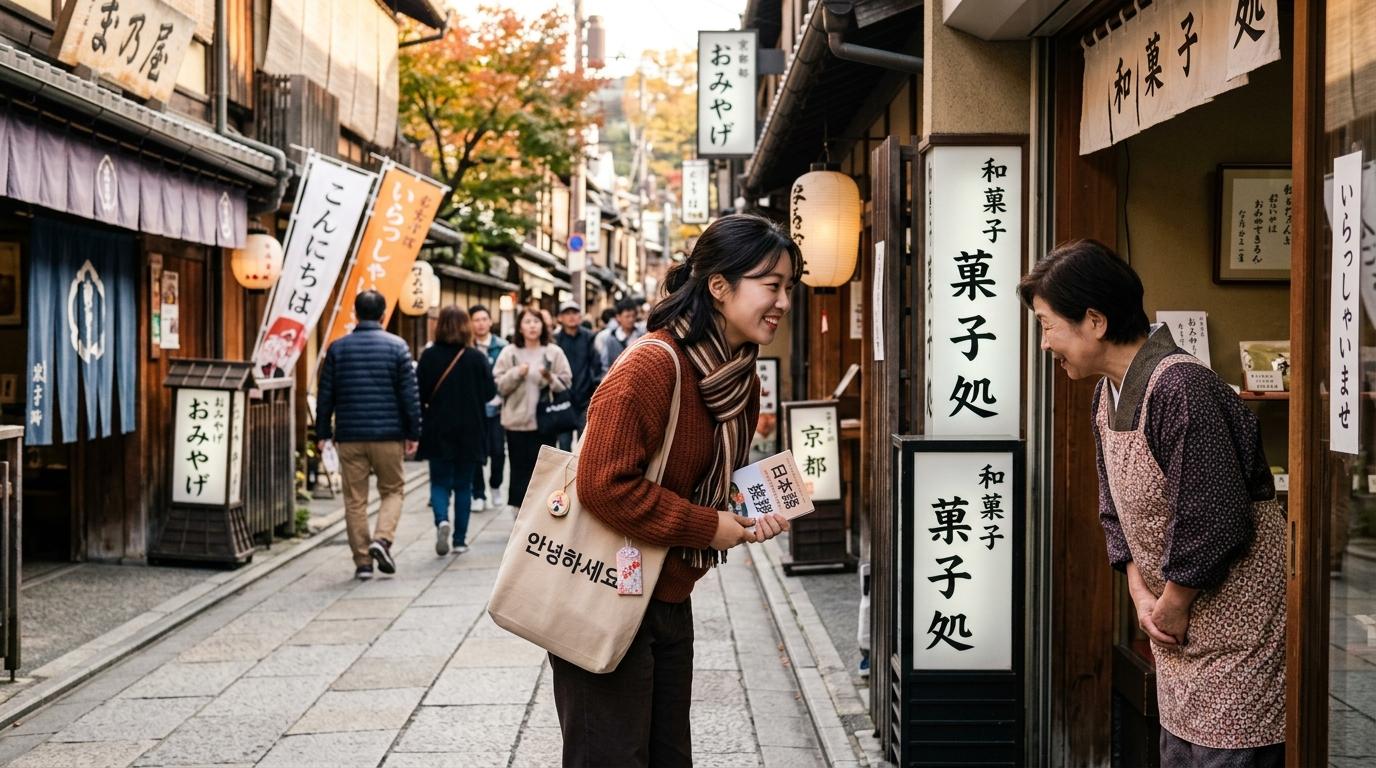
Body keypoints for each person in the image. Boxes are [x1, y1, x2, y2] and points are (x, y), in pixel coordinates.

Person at [1018, 240, 1285, 767]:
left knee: (1232, 753)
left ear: (1094, 320)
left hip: (1238, 632)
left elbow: (1215, 516)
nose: (1045, 343)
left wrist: (1175, 601)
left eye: (1048, 325)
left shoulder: (1183, 386)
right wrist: (1142, 595)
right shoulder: (1106, 394)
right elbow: (1114, 507)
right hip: (1176, 629)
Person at [556, 214, 799, 766]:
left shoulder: (736, 377)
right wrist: (710, 526)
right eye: (771, 285)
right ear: (719, 286)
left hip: (667, 596)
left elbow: (705, 485)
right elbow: (602, 484)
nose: (784, 300)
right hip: (604, 592)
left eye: (789, 287)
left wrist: (748, 510)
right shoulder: (651, 365)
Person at [315, 290, 421, 580]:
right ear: (384, 314)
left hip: (350, 435)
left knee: (355, 499)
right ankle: (382, 539)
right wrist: (414, 432)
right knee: (393, 490)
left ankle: (363, 562)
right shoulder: (397, 347)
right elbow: (409, 396)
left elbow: (326, 396)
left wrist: (322, 432)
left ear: (356, 314)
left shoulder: (338, 349)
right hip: (388, 434)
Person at [416, 306, 496, 556]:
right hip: (470, 429)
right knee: (464, 485)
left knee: (439, 482)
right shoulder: (476, 358)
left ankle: (442, 520)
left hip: (438, 427)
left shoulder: (428, 357)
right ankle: (460, 540)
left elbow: (420, 392)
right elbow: (490, 394)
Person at [492, 308, 573, 511]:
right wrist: (516, 373)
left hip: (545, 423)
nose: (532, 326)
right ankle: (518, 515)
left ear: (543, 325)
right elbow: (499, 385)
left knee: (544, 472)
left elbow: (565, 384)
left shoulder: (553, 352)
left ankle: (540, 514)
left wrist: (549, 377)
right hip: (516, 423)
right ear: (520, 326)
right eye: (527, 322)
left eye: (536, 322)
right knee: (518, 470)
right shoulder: (509, 352)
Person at [469, 305, 508, 513]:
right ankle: (478, 492)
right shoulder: (467, 346)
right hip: (474, 409)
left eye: (484, 319)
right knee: (475, 452)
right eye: (476, 319)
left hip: (499, 407)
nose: (481, 323)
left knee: (498, 451)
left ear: (490, 322)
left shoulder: (502, 346)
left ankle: (495, 486)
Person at [553, 301, 596, 451]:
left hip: (585, 400)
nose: (571, 317)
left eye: (575, 313)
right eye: (567, 313)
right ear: (560, 317)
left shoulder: (589, 337)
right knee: (563, 447)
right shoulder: (555, 339)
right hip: (563, 399)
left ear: (580, 316)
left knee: (583, 448)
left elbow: (595, 365)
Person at [597, 297, 645, 375]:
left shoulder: (641, 336)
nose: (631, 319)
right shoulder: (610, 339)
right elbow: (605, 365)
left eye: (633, 316)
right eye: (627, 316)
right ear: (618, 317)